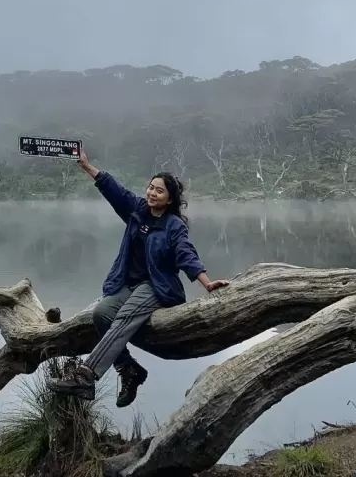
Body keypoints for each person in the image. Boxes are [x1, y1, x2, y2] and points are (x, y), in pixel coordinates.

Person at [46, 148, 229, 408]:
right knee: (101, 313)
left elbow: (186, 254)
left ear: (169, 199)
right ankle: (129, 369)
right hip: (128, 283)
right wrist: (87, 167)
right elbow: (114, 190)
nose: (152, 193)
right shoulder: (137, 211)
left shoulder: (174, 225)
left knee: (124, 317)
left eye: (159, 191)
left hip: (158, 288)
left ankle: (86, 375)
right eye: (151, 188)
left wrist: (206, 282)